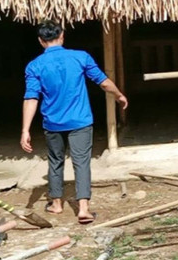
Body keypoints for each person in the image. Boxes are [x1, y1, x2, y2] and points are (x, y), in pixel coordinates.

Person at [20, 21, 128, 224]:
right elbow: (103, 82)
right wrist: (119, 95)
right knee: (82, 163)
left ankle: (56, 203)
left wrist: (25, 129)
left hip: (52, 123)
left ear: (41, 41)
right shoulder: (80, 57)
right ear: (62, 36)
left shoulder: (35, 66)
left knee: (55, 161)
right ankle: (84, 209)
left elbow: (31, 98)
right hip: (80, 121)